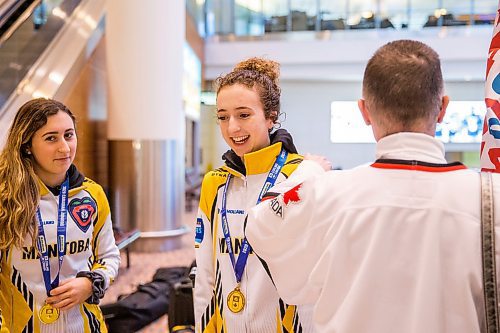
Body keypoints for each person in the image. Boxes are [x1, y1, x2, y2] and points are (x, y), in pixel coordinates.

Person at [246, 39, 500, 332]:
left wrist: (309, 170)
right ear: (443, 108)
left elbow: (260, 224)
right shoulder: (490, 199)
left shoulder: (328, 193)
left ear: (364, 111)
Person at [194, 57, 317, 332]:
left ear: (271, 116)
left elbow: (312, 274)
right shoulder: (214, 184)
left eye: (244, 114)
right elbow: (204, 275)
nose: (232, 128)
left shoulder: (300, 175)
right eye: (223, 117)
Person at [0, 98, 120, 332]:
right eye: (51, 138)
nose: (65, 148)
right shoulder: (6, 199)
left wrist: (90, 283)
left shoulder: (92, 194)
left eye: (69, 135)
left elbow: (108, 256)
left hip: (87, 326)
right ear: (27, 145)